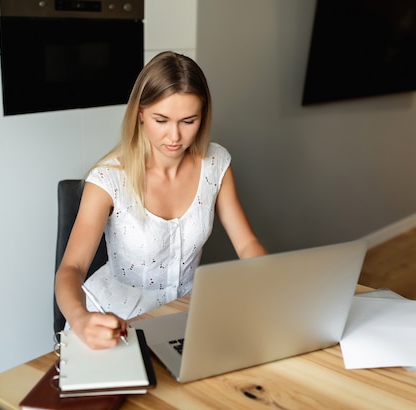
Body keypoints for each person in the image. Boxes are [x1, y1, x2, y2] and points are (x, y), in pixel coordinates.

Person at [55, 51, 267, 350]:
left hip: (184, 318)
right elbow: (71, 268)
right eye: (161, 119)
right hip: (113, 320)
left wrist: (272, 286)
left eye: (188, 121)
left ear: (203, 116)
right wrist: (80, 319)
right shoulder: (108, 179)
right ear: (140, 113)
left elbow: (247, 244)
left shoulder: (216, 163)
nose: (175, 136)